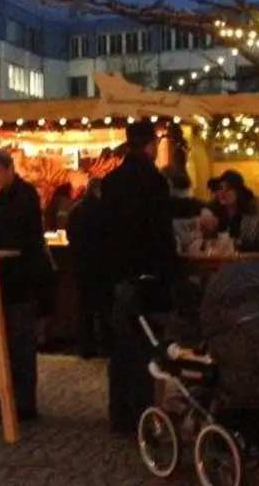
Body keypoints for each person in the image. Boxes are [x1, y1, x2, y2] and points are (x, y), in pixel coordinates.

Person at [98, 121, 179, 432]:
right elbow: (161, 232)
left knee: (122, 348)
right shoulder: (154, 182)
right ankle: (143, 414)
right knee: (146, 347)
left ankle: (120, 414)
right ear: (150, 145)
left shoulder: (111, 181)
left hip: (118, 275)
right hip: (147, 277)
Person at [0, 149, 48, 422]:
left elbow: (13, 226)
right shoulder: (7, 195)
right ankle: (9, 394)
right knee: (7, 342)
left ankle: (25, 401)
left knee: (21, 342)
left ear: (9, 169)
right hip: (6, 278)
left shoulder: (24, 195)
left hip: (22, 279)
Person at [66, 178, 110, 359]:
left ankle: (85, 347)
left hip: (80, 263)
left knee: (84, 306)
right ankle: (106, 345)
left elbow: (69, 235)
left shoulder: (75, 210)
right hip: (101, 264)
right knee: (104, 307)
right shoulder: (105, 211)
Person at [205, 170, 259, 252]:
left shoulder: (253, 218)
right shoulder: (213, 214)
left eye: (229, 189)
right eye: (221, 188)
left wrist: (238, 244)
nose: (223, 193)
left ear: (238, 192)